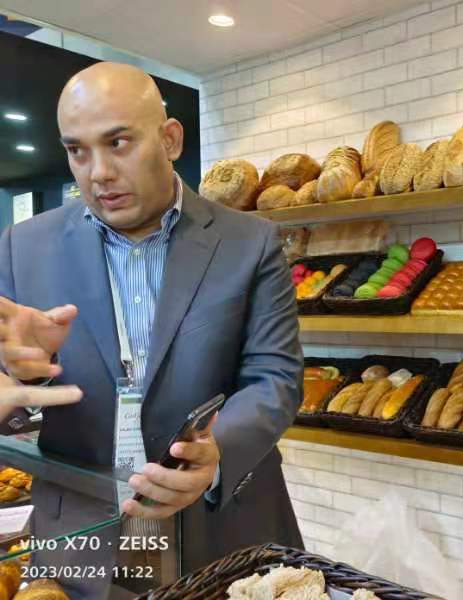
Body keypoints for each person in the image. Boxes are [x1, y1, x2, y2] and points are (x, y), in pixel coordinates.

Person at [0, 62, 303, 598]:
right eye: (77, 151)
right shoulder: (22, 247)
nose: (98, 173)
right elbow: (12, 394)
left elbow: (274, 377)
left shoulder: (250, 242)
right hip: (82, 529)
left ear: (170, 139)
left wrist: (217, 453)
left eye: (118, 142)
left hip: (224, 520)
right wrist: (18, 377)